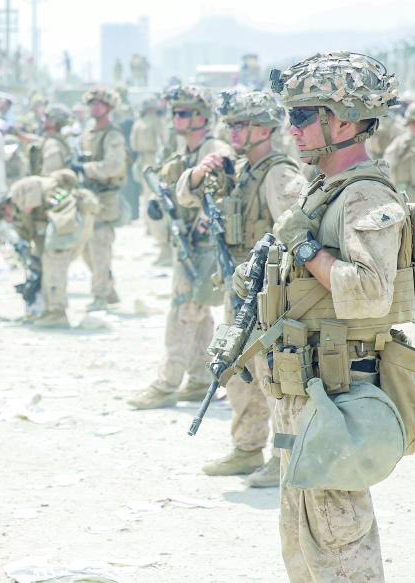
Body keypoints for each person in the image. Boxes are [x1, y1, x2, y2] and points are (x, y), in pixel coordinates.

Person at [266, 51, 414, 583]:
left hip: (337, 393)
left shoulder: (365, 195)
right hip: (304, 391)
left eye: (305, 115)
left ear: (346, 121)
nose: (293, 128)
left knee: (341, 548)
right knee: (303, 546)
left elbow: (368, 290)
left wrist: (304, 249)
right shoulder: (326, 189)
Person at [175, 90, 306, 486]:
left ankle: (284, 459)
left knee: (273, 380)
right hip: (240, 291)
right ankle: (247, 448)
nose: (232, 132)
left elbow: (297, 232)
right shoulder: (240, 168)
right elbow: (185, 196)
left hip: (268, 297)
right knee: (238, 374)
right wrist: (198, 173)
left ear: (264, 129)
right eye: (230, 125)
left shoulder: (278, 174)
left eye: (241, 125)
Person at [128, 84, 233, 410]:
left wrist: (201, 220)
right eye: (173, 113)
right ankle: (200, 378)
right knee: (198, 311)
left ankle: (166, 384)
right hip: (188, 240)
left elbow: (225, 196)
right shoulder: (183, 151)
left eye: (183, 113)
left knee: (183, 309)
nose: (175, 118)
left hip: (205, 243)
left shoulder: (215, 151)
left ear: (201, 117)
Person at [9, 170, 100, 328]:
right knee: (51, 265)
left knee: (54, 267)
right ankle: (51, 310)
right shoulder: (45, 187)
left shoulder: (26, 186)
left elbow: (28, 209)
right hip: (68, 223)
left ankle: (57, 313)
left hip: (64, 225)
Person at [70, 86, 128, 312]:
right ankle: (108, 288)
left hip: (105, 198)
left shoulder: (112, 135)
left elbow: (114, 165)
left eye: (100, 104)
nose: (95, 108)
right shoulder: (88, 132)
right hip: (88, 196)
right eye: (92, 104)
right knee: (86, 249)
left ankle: (100, 295)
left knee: (99, 247)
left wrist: (85, 168)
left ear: (109, 108)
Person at [131, 96, 168, 264]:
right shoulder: (142, 122)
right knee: (146, 197)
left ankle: (159, 237)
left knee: (150, 198)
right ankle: (151, 229)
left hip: (152, 162)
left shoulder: (154, 122)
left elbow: (162, 142)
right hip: (144, 161)